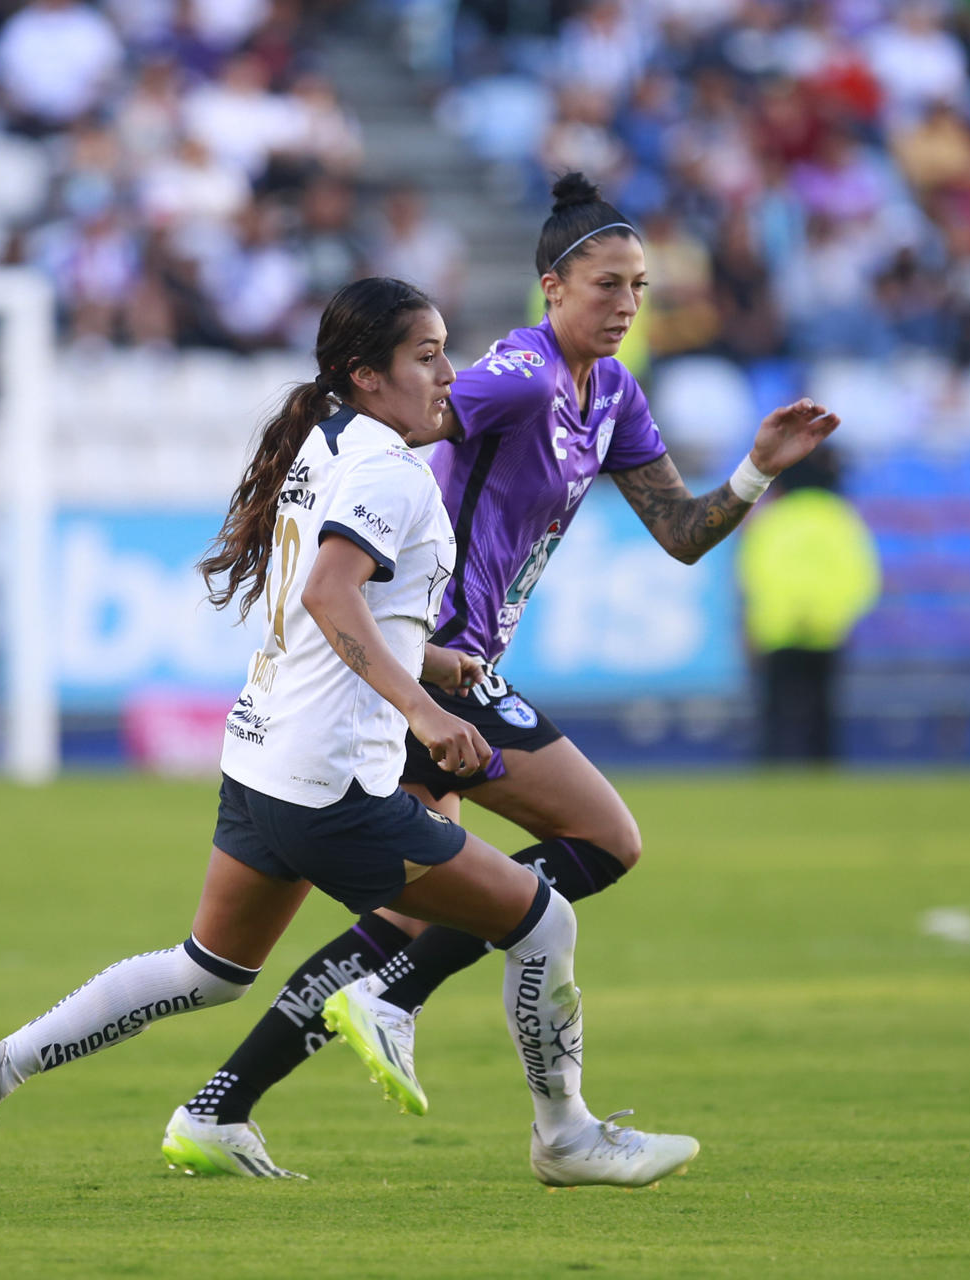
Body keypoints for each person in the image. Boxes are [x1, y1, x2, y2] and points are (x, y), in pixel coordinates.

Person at [0, 277, 699, 1196]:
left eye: (447, 349)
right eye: (427, 355)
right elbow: (330, 593)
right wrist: (424, 710)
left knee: (207, 970)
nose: (450, 373)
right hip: (336, 786)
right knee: (543, 918)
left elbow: (341, 600)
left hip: (261, 760)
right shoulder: (390, 471)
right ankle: (563, 1134)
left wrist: (435, 665)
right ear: (367, 375)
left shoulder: (327, 441)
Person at [161, 173, 840, 1176]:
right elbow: (398, 419)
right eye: (607, 284)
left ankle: (223, 1102)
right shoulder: (514, 377)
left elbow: (682, 533)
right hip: (429, 659)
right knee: (598, 839)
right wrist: (320, 532)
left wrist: (754, 470)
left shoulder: (610, 394)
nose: (625, 305)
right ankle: (458, 1060)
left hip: (463, 663)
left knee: (414, 906)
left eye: (640, 287)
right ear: (551, 285)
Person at [735, 447, 881, 761]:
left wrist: (769, 617)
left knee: (775, 712)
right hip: (827, 630)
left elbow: (754, 574)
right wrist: (835, 614)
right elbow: (860, 578)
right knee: (822, 711)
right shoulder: (841, 519)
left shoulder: (771, 519)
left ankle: (772, 769)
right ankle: (823, 770)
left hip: (778, 630)